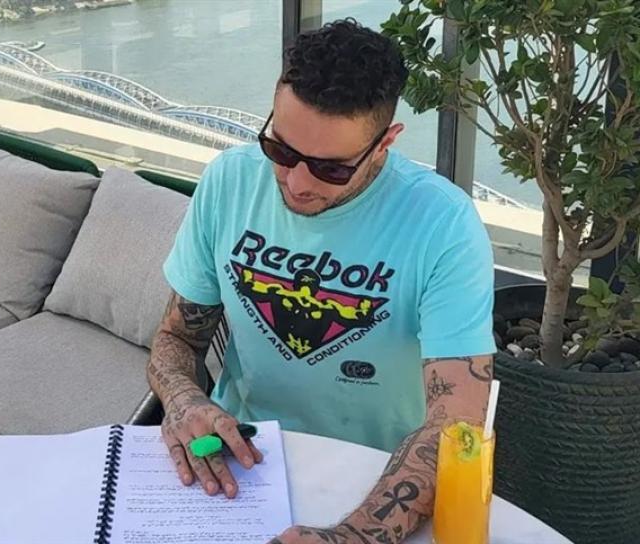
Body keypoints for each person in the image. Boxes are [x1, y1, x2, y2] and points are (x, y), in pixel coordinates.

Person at [147, 18, 495, 543]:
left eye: (331, 169)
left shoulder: (443, 224)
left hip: (380, 478)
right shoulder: (229, 181)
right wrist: (184, 401)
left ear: (385, 143)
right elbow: (177, 337)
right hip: (242, 460)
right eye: (281, 151)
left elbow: (456, 423)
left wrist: (353, 536)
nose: (296, 182)